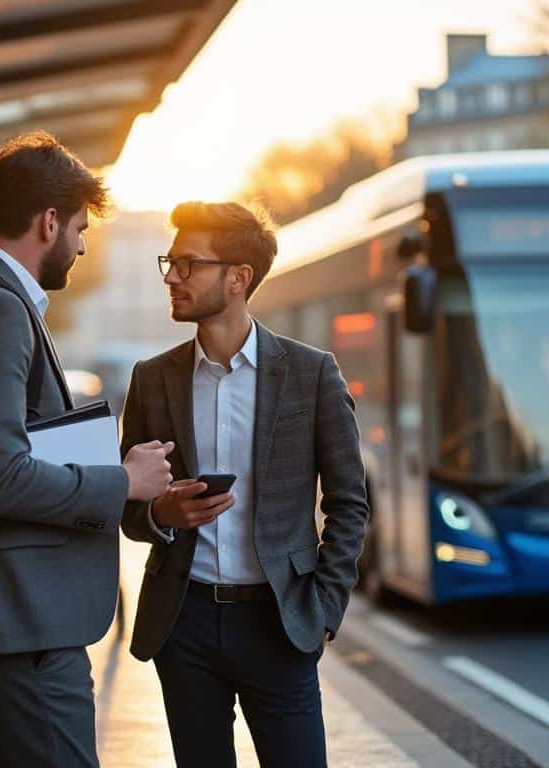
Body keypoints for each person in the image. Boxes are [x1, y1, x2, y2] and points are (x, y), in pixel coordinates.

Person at [0, 132, 173, 768]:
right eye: (80, 228)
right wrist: (123, 480)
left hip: (11, 617)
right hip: (19, 621)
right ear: (48, 221)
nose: (83, 245)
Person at [119, 201, 369, 768]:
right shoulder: (152, 379)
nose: (171, 277)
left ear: (238, 278)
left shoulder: (311, 374)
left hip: (279, 623)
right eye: (169, 262)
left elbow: (349, 504)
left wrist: (324, 610)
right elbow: (125, 506)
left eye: (187, 264)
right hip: (184, 624)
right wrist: (160, 514)